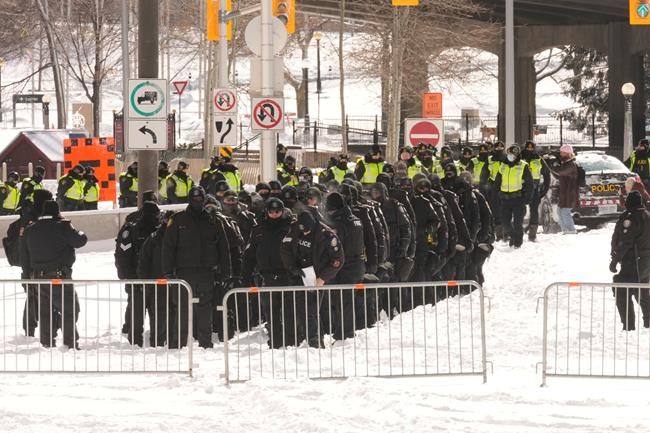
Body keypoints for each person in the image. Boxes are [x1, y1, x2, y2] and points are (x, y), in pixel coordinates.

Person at [163, 186, 231, 348]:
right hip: (183, 272)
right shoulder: (178, 219)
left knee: (205, 309)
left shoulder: (213, 220)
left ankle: (205, 343)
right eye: (194, 199)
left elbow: (223, 247)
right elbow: (168, 247)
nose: (197, 202)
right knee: (183, 308)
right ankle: (178, 344)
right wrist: (167, 271)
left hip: (206, 272)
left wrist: (226, 272)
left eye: (200, 199)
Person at [20, 200, 87, 349]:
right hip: (59, 277)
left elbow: (24, 256)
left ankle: (47, 344)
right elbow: (81, 240)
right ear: (57, 212)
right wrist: (77, 229)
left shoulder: (31, 229)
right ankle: (70, 344)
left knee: (45, 313)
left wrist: (26, 276)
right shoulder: (63, 226)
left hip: (39, 278)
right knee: (69, 310)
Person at [280, 211, 344, 347]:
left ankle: (314, 344)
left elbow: (338, 260)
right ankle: (315, 342)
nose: (305, 233)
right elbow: (285, 247)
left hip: (317, 279)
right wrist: (293, 268)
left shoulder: (326, 235)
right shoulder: (296, 228)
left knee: (310, 311)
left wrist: (323, 277)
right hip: (299, 275)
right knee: (305, 311)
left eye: (308, 230)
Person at [243, 197, 297, 348]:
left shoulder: (290, 228)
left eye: (278, 211)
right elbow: (249, 256)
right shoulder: (258, 230)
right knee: (271, 312)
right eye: (271, 211)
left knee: (289, 312)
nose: (274, 214)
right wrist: (245, 276)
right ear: (266, 212)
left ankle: (290, 342)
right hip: (267, 276)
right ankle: (275, 342)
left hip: (287, 275)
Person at [3, 189, 54, 337]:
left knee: (37, 297)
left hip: (36, 263)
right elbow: (25, 244)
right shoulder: (31, 217)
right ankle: (29, 330)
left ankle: (36, 328)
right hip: (31, 265)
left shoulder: (34, 213)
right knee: (33, 298)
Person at [114, 201, 161, 344]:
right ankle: (139, 341)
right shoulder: (133, 230)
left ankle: (155, 341)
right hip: (138, 278)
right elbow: (123, 255)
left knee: (154, 313)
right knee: (138, 313)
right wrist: (126, 277)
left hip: (153, 279)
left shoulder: (159, 230)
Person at [324, 192, 366, 340]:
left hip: (345, 266)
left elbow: (334, 247)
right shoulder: (355, 219)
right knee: (346, 300)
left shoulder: (339, 223)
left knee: (344, 301)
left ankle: (345, 334)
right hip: (357, 264)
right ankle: (344, 332)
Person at [610, 191, 650, 331]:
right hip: (645, 262)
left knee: (622, 291)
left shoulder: (632, 218)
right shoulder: (646, 215)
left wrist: (615, 260)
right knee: (642, 292)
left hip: (633, 261)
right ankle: (647, 322)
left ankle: (628, 326)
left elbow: (625, 242)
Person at [137, 210, 175, 347]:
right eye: (166, 220)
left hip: (176, 283)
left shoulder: (180, 236)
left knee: (175, 313)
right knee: (159, 315)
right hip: (157, 284)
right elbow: (143, 262)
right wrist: (145, 283)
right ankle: (157, 343)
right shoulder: (154, 238)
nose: (168, 223)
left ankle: (174, 342)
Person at [494, 144, 533, 248]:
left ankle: (517, 242)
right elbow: (497, 181)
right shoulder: (503, 165)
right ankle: (513, 236)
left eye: (514, 154)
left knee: (517, 223)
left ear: (517, 155)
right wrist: (495, 194)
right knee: (505, 222)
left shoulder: (523, 165)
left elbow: (530, 183)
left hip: (518, 199)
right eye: (510, 154)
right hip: (505, 199)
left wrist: (527, 198)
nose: (512, 156)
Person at [521, 141, 550, 241]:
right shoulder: (519, 158)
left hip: (534, 189)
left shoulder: (538, 159)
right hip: (521, 188)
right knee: (520, 210)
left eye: (531, 148)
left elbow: (546, 174)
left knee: (534, 211)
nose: (529, 150)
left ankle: (532, 234)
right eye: (527, 148)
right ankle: (518, 231)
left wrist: (545, 189)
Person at [549, 144, 579, 234]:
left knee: (565, 211)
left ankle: (571, 230)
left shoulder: (571, 165)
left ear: (567, 153)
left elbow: (559, 172)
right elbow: (558, 176)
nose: (561, 154)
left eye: (562, 153)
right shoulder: (566, 164)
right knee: (559, 211)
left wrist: (552, 166)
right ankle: (565, 230)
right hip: (564, 192)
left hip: (570, 192)